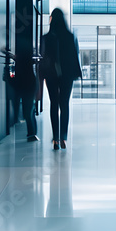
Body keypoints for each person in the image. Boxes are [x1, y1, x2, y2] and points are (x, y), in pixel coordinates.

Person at [40, 8, 82, 150]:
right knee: (64, 104)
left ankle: (55, 139)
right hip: (67, 74)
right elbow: (74, 55)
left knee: (54, 104)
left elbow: (43, 57)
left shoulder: (45, 37)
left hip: (51, 74)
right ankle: (63, 137)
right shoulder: (70, 36)